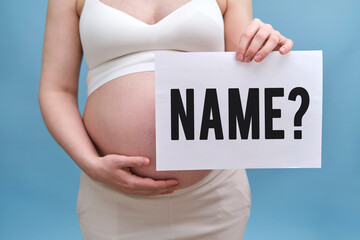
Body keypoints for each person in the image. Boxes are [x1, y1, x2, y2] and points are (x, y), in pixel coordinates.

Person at [38, 0, 293, 239]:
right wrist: (91, 163)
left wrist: (264, 45)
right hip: (112, 198)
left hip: (213, 194)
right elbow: (56, 90)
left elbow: (242, 75)